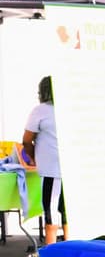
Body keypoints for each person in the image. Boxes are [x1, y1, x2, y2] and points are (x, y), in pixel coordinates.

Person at [23, 75, 67, 247]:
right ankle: (70, 247)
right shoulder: (68, 107)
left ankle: (50, 251)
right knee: (66, 211)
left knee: (51, 210)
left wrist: (33, 158)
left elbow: (27, 140)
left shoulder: (40, 111)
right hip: (70, 167)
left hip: (51, 169)